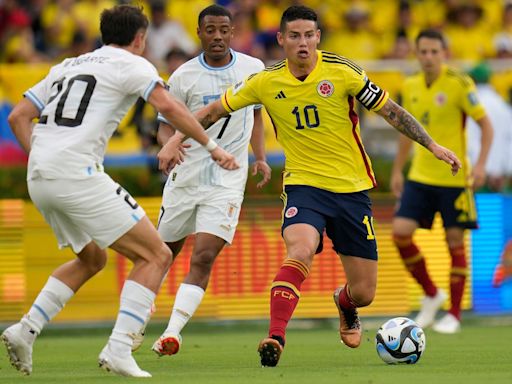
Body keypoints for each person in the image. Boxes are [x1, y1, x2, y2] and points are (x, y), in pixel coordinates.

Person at [158, 5, 462, 367]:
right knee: (300, 249)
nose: (303, 43)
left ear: (318, 37)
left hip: (352, 189)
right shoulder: (265, 81)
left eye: (309, 35)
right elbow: (213, 111)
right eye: (295, 36)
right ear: (282, 39)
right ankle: (276, 336)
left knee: (364, 292)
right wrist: (176, 139)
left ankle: (345, 303)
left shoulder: (343, 72)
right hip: (304, 187)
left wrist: (432, 145)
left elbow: (391, 111)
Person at [1, 4, 237, 378]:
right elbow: (169, 107)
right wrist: (212, 147)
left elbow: (18, 117)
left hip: (40, 176)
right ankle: (120, 347)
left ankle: (24, 329)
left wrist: (44, 160)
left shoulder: (67, 65)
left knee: (92, 259)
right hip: (77, 173)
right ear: (140, 38)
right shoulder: (133, 64)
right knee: (156, 254)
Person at [133, 4, 271, 357]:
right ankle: (135, 321)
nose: (217, 37)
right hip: (187, 176)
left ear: (233, 31)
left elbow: (256, 116)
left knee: (204, 256)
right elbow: (165, 125)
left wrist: (259, 157)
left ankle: (173, 333)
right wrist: (169, 146)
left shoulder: (253, 69)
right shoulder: (183, 76)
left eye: (223, 30)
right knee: (161, 254)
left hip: (227, 179)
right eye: (210, 30)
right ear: (199, 33)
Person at [391, 29, 493, 334]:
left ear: (445, 53)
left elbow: (486, 127)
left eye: (434, 52)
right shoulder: (409, 86)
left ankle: (455, 314)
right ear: (417, 53)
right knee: (400, 233)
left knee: (454, 242)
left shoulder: (460, 84)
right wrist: (398, 170)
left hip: (454, 177)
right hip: (420, 176)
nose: (429, 57)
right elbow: (407, 133)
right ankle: (433, 294)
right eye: (423, 52)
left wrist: (482, 164)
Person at [467, 62, 512, 192]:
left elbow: (471, 139)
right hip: (500, 176)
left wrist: (481, 169)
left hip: (478, 173)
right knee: (499, 211)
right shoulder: (502, 105)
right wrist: (504, 171)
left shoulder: (472, 104)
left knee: (478, 211)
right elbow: (508, 139)